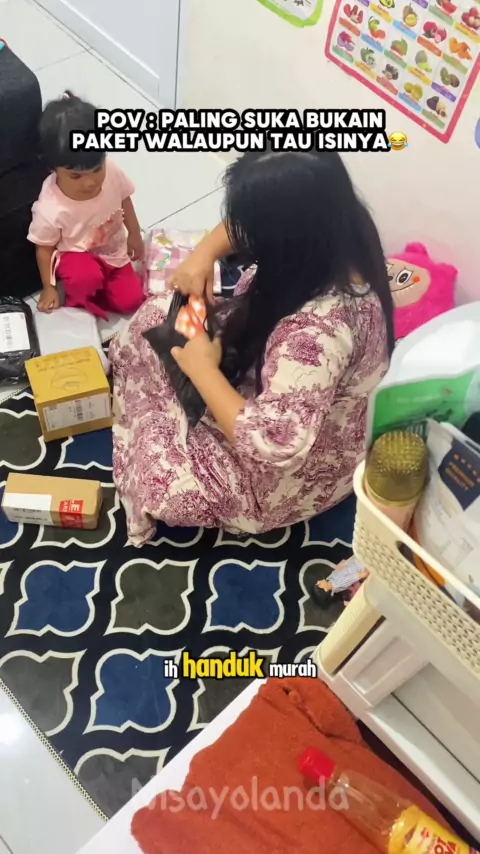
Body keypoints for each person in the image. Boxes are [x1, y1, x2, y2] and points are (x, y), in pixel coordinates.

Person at [111, 150, 394, 546]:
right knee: (157, 318)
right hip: (280, 382)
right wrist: (203, 254)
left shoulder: (317, 334)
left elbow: (275, 446)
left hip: (290, 469)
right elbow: (246, 224)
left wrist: (203, 371)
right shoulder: (336, 223)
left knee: (165, 484)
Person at [28, 91, 145, 318]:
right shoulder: (50, 206)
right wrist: (49, 287)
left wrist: (134, 234)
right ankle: (77, 289)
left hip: (113, 253)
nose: (90, 182)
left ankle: (98, 287)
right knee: (85, 280)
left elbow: (125, 200)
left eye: (96, 169)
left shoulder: (112, 172)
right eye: (76, 176)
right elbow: (43, 248)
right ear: (53, 168)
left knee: (130, 301)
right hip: (76, 258)